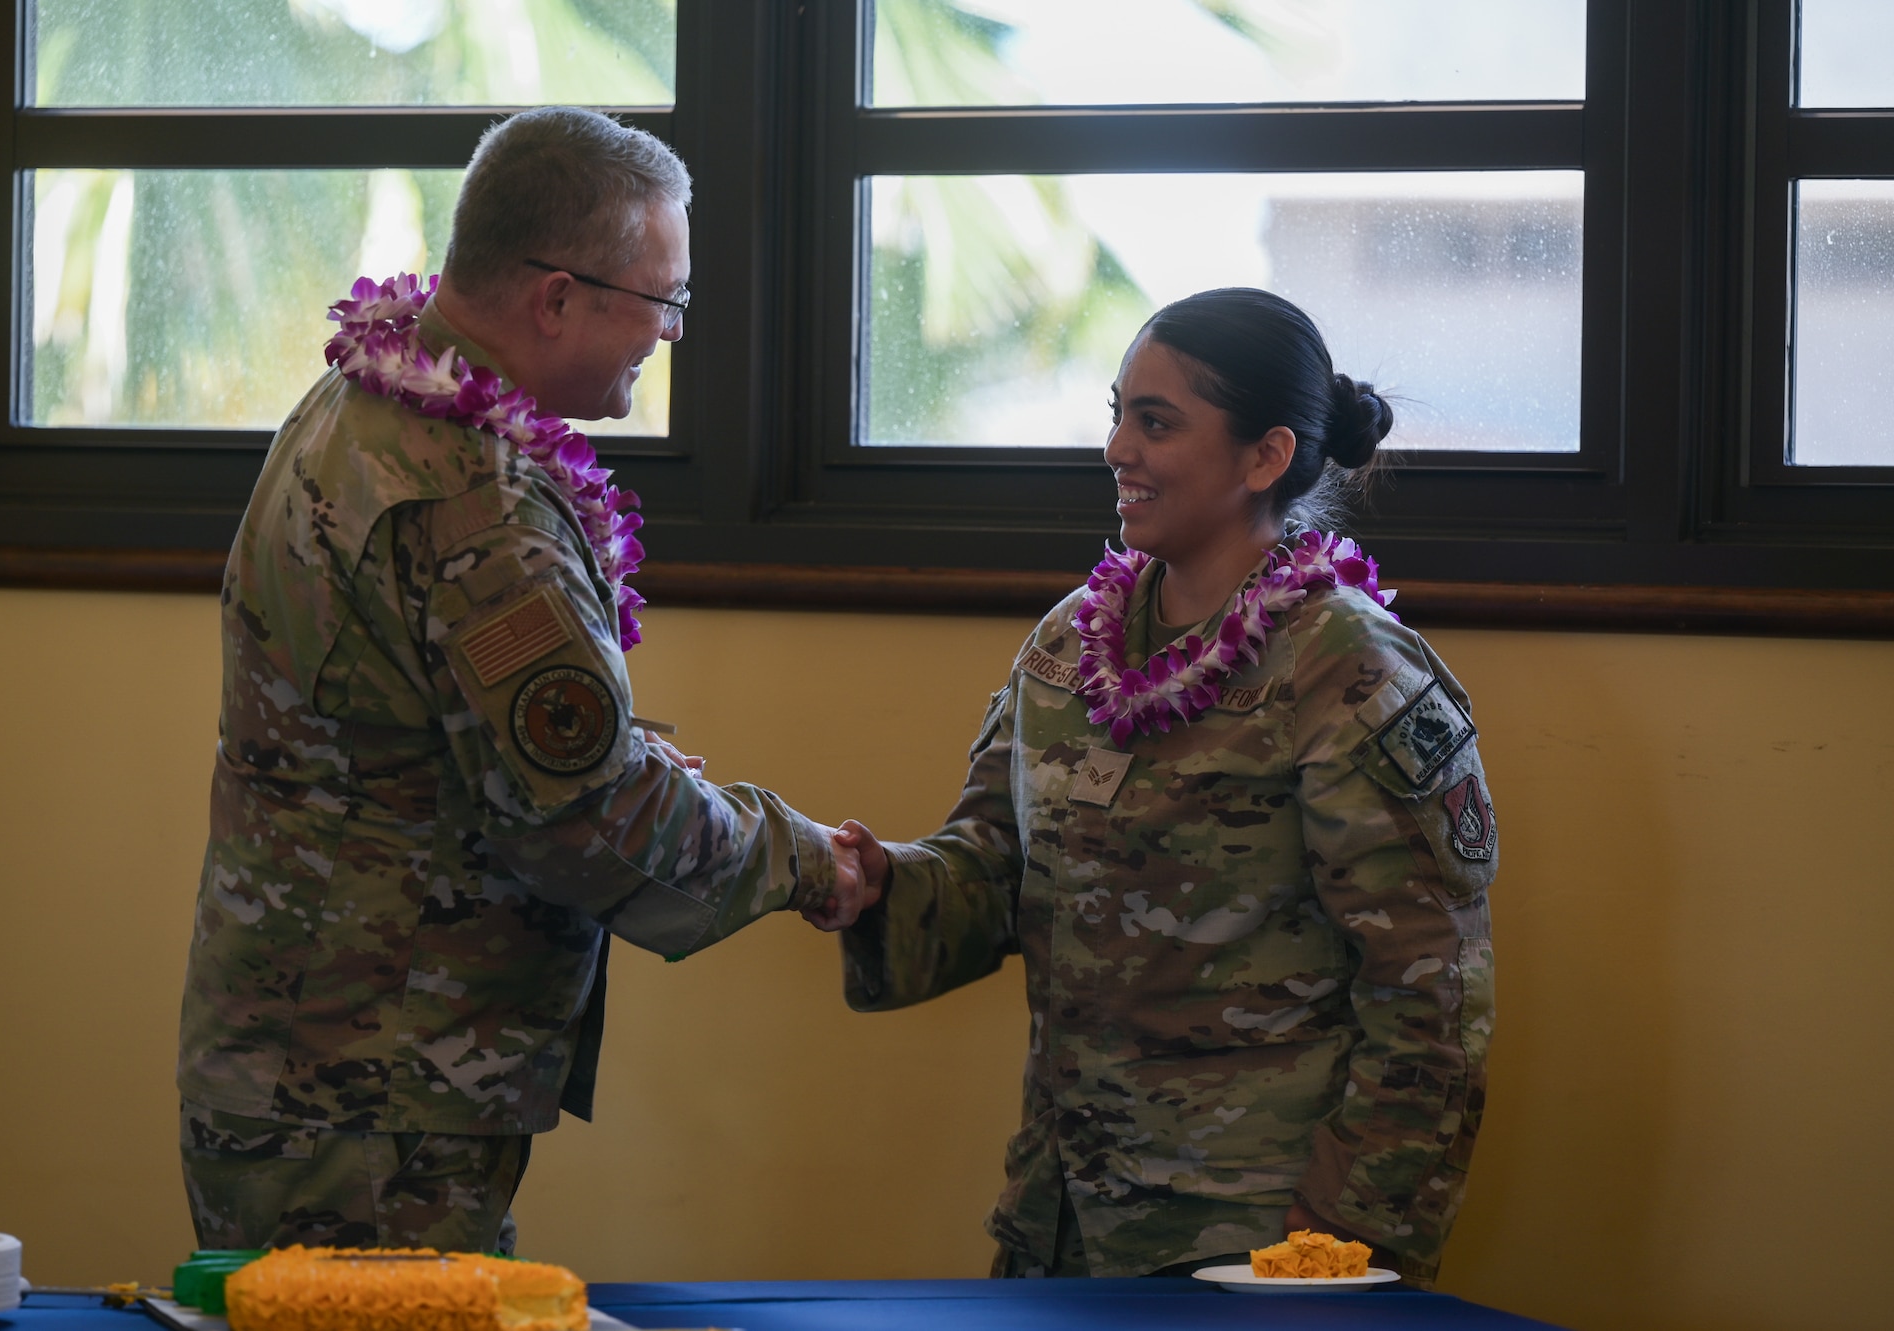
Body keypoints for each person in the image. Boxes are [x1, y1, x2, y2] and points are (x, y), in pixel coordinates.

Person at [177, 106, 867, 1255]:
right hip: (375, 1092)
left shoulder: (356, 406)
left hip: (305, 1051)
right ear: (556, 297)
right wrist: (806, 860)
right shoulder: (476, 502)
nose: (673, 331)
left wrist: (611, 760)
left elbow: (446, 737)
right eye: (664, 300)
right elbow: (588, 813)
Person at [835, 288, 1497, 1285]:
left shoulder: (1348, 669)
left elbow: (1428, 1004)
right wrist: (874, 883)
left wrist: (1333, 1250)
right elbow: (990, 870)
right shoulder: (1069, 639)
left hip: (1247, 1243)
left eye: (1154, 422)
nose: (1114, 447)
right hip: (1056, 1220)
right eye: (1115, 413)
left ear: (1263, 456)